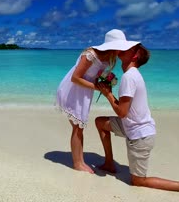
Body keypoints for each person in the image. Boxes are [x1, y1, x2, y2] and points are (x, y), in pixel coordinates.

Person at [95, 43, 179, 195]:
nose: (122, 48)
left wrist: (108, 94)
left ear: (135, 55)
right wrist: (110, 93)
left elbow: (121, 112)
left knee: (138, 181)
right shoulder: (132, 75)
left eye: (128, 48)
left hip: (140, 135)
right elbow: (125, 109)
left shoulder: (129, 77)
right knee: (100, 122)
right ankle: (109, 163)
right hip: (131, 126)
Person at [56, 29, 139, 174]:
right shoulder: (90, 54)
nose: (121, 51)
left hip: (84, 91)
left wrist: (105, 83)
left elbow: (93, 75)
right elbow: (75, 77)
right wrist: (98, 88)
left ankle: (80, 160)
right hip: (74, 91)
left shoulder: (108, 58)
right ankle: (78, 163)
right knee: (77, 127)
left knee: (79, 127)